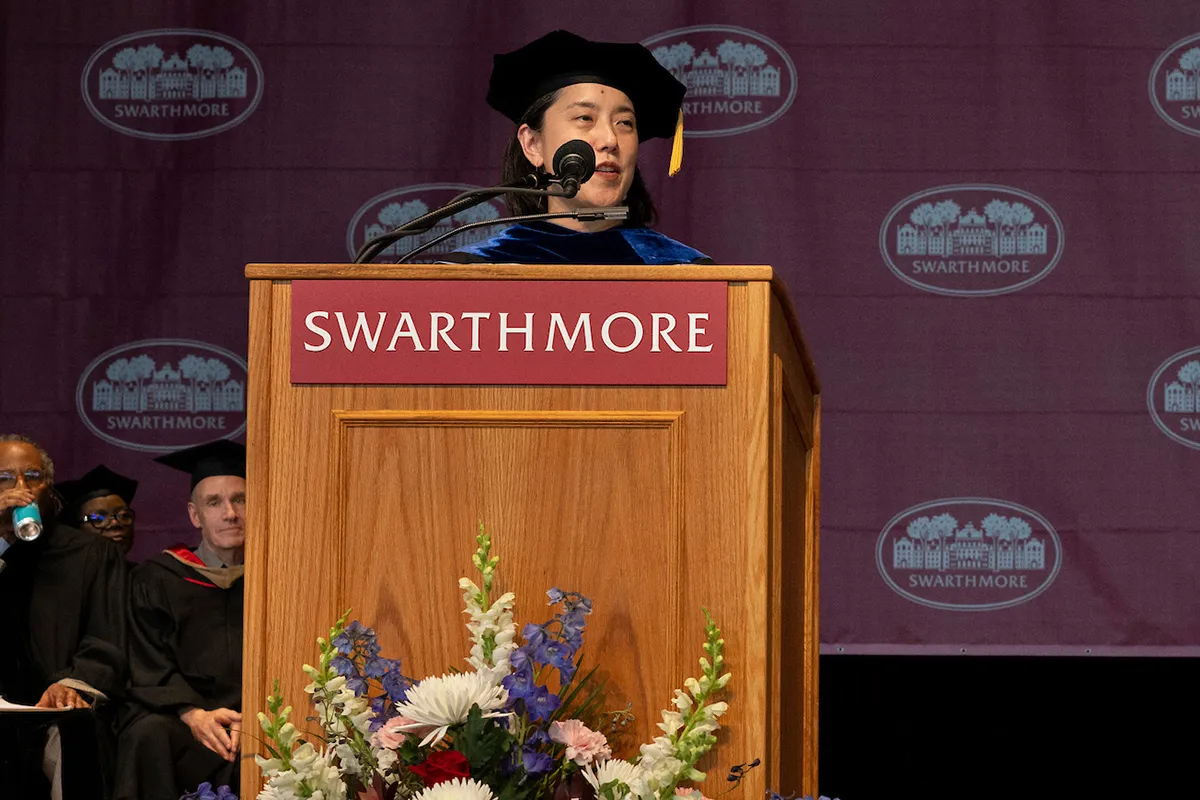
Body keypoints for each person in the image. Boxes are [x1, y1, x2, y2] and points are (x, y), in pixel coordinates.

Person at [445, 29, 713, 265]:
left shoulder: (682, 273)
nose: (609, 139)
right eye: (585, 118)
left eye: (625, 123)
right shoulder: (474, 274)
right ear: (533, 144)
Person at [115, 439, 246, 800]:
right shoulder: (157, 577)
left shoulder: (278, 581)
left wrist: (256, 716)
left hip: (256, 719)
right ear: (194, 515)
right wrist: (193, 714)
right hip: (181, 720)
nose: (230, 513)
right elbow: (146, 661)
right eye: (214, 503)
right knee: (147, 733)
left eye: (240, 499)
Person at [0, 434, 128, 800]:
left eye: (32, 476)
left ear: (49, 487)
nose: (20, 490)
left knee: (77, 733)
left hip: (56, 709)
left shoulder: (90, 554)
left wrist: (73, 683)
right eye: (4, 478)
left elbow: (108, 635)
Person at [56, 464, 138, 557]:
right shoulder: (63, 571)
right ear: (75, 529)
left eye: (124, 515)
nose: (115, 523)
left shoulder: (144, 571)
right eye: (98, 519)